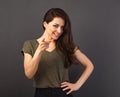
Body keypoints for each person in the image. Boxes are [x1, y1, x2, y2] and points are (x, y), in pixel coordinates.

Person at [21, 8, 94, 97]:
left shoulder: (66, 45)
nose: (59, 31)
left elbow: (89, 65)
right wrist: (39, 50)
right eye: (55, 25)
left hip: (63, 93)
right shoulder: (30, 44)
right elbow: (29, 74)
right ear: (45, 24)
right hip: (41, 93)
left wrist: (77, 85)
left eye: (62, 27)